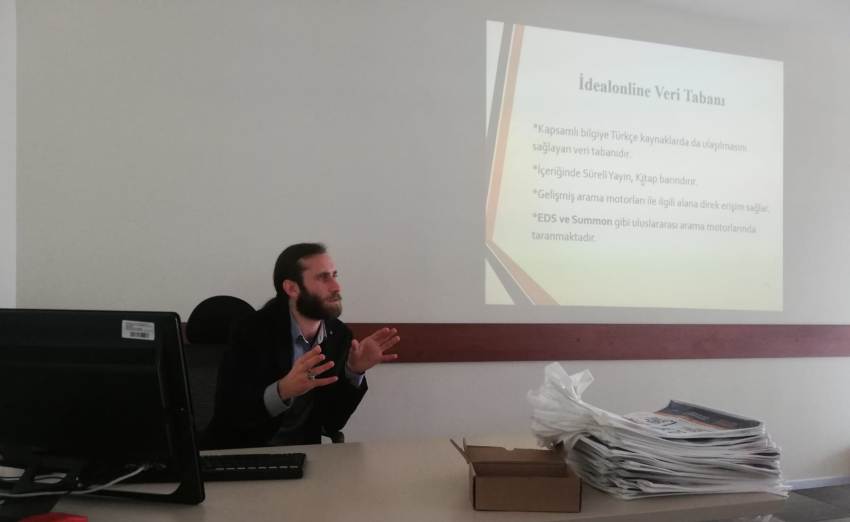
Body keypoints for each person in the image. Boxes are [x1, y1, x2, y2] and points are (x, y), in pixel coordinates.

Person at [205, 243, 400, 448]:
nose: (336, 287)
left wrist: (354, 371)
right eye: (323, 277)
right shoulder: (251, 331)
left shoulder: (340, 335)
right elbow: (230, 415)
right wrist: (282, 391)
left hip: (305, 454)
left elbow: (332, 422)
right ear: (292, 288)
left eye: (334, 275)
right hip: (244, 453)